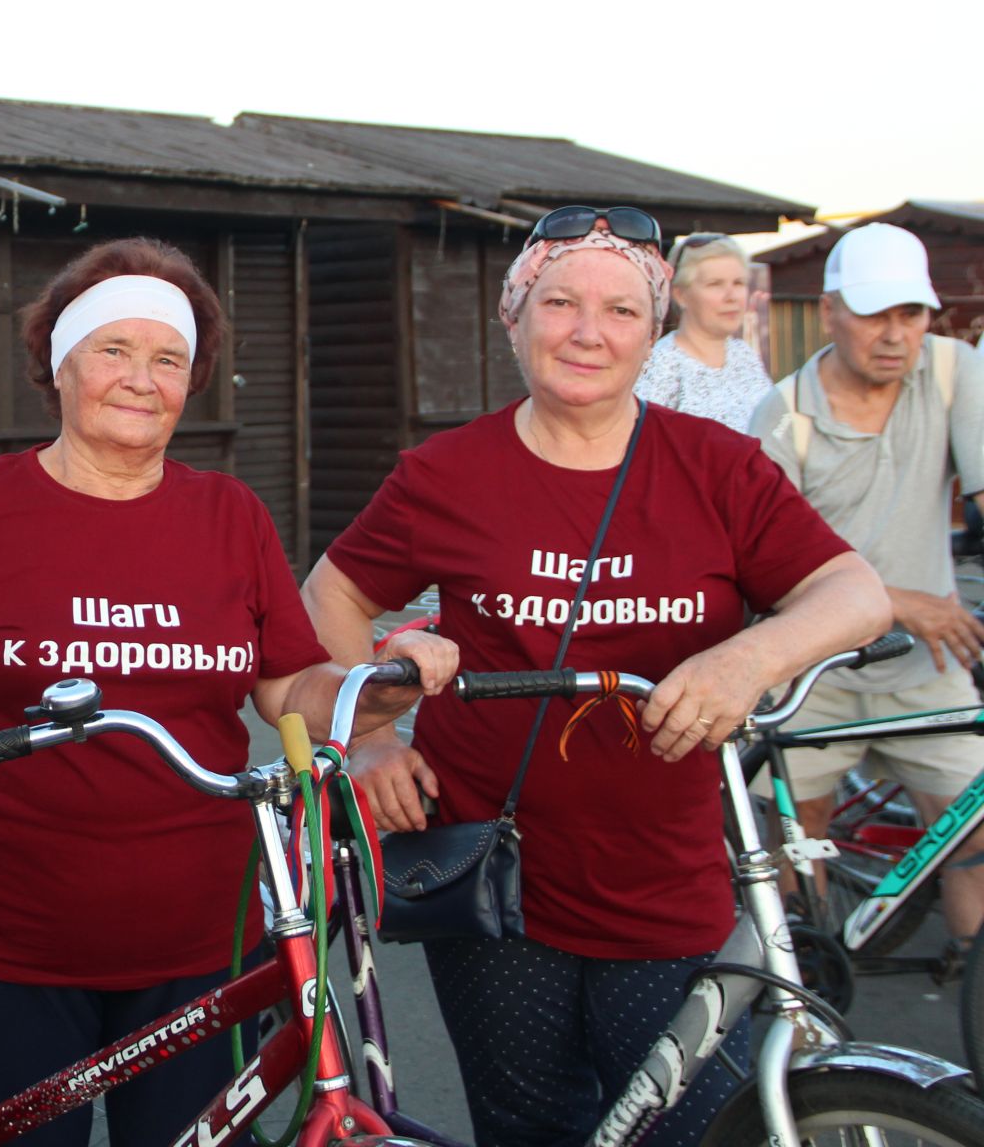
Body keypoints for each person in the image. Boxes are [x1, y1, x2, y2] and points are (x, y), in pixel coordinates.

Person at [0, 237, 453, 1146]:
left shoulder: (229, 515)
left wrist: (380, 689)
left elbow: (288, 686)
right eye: (112, 351)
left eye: (167, 358)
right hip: (8, 940)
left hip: (207, 941)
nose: (140, 379)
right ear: (60, 363)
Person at [301, 205, 889, 1147]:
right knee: (530, 1126)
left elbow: (853, 592)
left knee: (690, 1127)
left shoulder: (718, 467)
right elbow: (328, 594)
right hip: (493, 887)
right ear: (515, 317)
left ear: (653, 331)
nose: (587, 331)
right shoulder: (447, 472)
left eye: (620, 310)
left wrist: (752, 654)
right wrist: (372, 737)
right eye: (559, 302)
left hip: (668, 884)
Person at [749, 221, 984, 964]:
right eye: (875, 313)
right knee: (799, 833)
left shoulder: (951, 371)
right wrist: (900, 602)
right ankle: (805, 983)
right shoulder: (783, 415)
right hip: (817, 665)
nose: (895, 334)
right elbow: (768, 569)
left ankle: (969, 969)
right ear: (829, 312)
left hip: (927, 665)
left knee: (973, 824)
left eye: (910, 314)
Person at [633, 232, 773, 430]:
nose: (731, 296)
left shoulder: (744, 355)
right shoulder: (660, 366)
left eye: (738, 283)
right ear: (680, 295)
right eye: (715, 284)